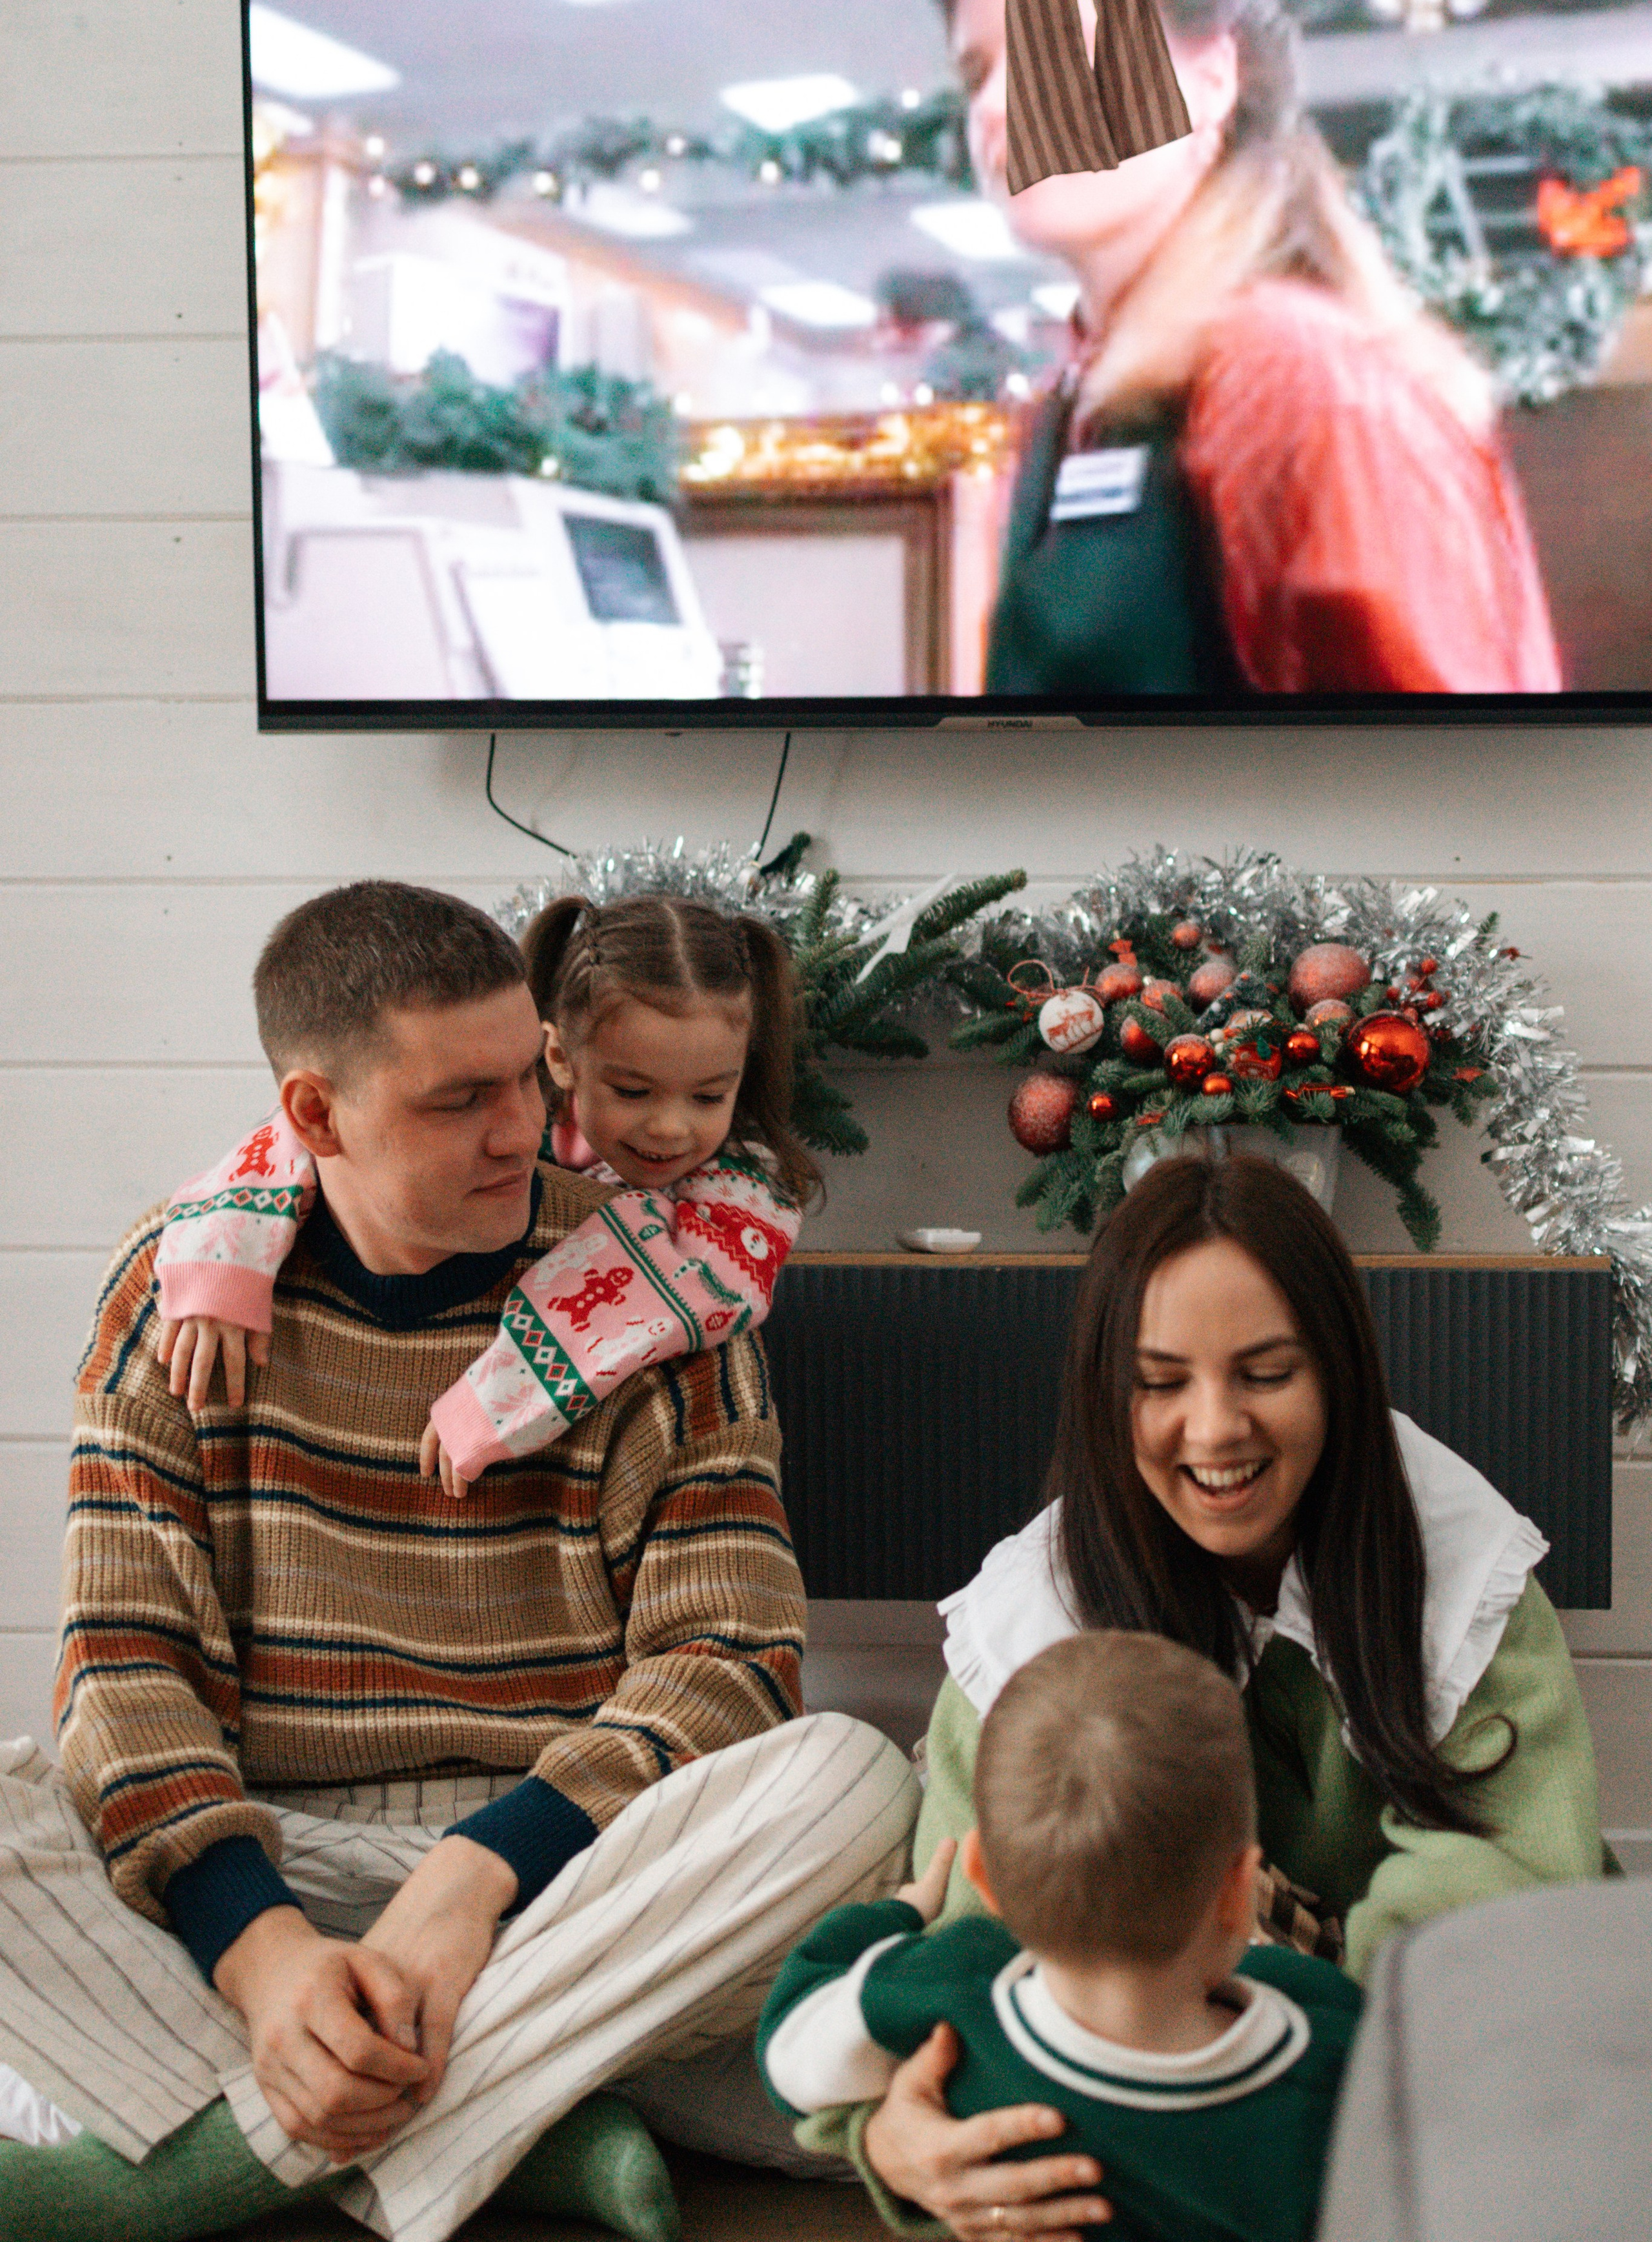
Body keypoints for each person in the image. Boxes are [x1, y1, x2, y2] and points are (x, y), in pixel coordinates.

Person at [0, 881, 918, 2242]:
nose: (525, 1134)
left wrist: (466, 1885)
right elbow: (122, 1669)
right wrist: (262, 1959)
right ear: (314, 1116)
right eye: (456, 1102)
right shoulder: (179, 1286)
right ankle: (526, 2104)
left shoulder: (665, 1288)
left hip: (560, 1871)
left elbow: (729, 1661)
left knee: (850, 1780)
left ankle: (254, 2148)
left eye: (527, 1079)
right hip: (285, 1866)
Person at [805, 1153, 1602, 2237]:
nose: (1217, 1429)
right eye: (1163, 1381)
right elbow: (971, 1937)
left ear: (1340, 1373)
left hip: (1403, 2075)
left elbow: (1508, 1886)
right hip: (1155, 2096)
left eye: (1268, 1372)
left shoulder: (1467, 1574)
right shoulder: (1032, 1621)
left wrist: (1275, 2053)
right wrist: (894, 2138)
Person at [940, 0, 1564, 699]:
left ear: (1210, 79)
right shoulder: (1067, 407)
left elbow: (1454, 789)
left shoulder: (1295, 380)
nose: (998, 104)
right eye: (978, 70)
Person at [152, 892, 813, 1499]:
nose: (671, 1128)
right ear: (563, 1060)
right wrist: (217, 1273)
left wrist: (502, 1398)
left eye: (709, 1096)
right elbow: (282, 1143)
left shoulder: (741, 1206)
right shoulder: (531, 1128)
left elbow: (661, 1296)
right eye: (633, 1092)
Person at [760, 1633, 1362, 2242]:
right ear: (1239, 1891)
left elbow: (788, 2047)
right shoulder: (1333, 2048)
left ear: (983, 1882)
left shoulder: (948, 1987)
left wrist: (893, 1918)